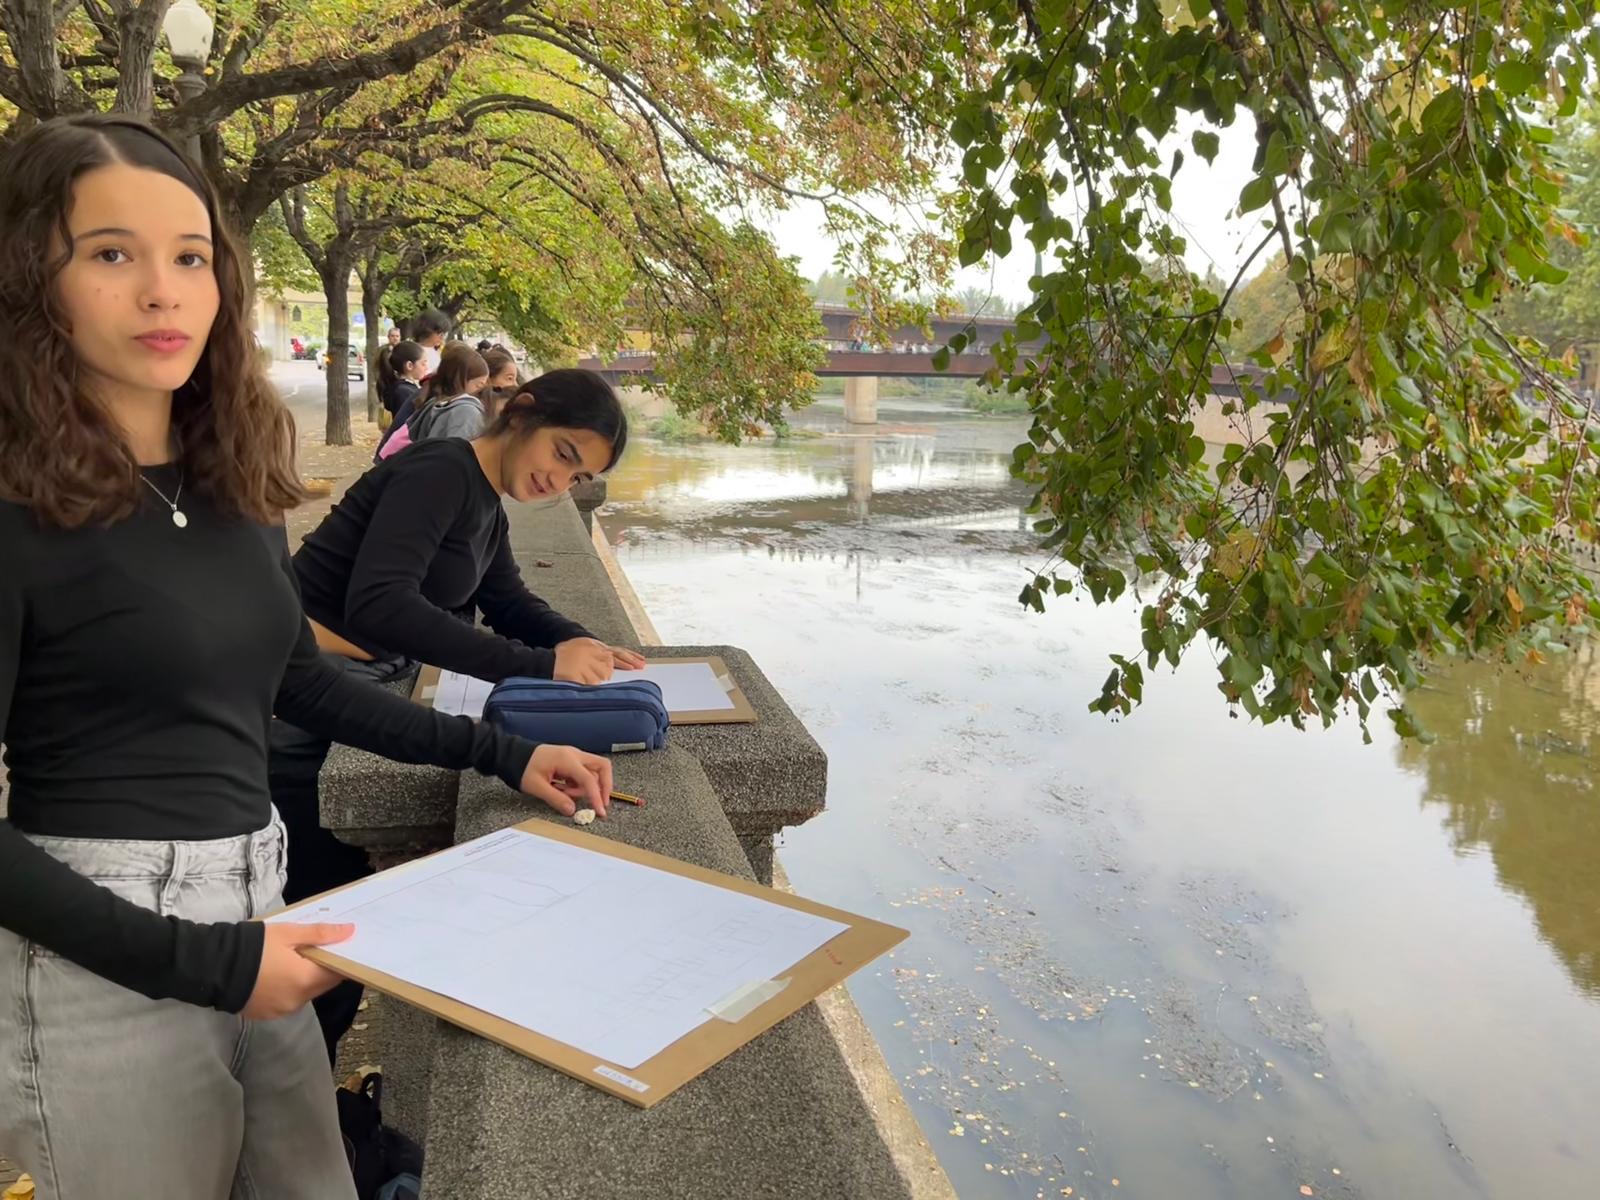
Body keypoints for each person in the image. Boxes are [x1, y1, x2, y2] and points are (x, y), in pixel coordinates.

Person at [0, 114, 613, 1199]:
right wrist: (210, 962)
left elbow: (299, 682)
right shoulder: (14, 506)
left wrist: (505, 755)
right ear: (29, 278)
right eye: (111, 253)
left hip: (266, 910)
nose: (163, 292)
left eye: (191, 257)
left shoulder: (229, 480)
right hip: (102, 962)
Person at [276, 367, 637, 1054]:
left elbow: (505, 599)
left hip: (364, 685)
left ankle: (312, 1097)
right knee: (319, 936)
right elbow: (379, 605)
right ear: (522, 412)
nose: (559, 482)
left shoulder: (484, 499)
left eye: (578, 477)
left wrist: (578, 642)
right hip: (302, 708)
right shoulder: (440, 472)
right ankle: (296, 1100)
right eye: (563, 454)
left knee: (332, 949)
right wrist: (539, 666)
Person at [374, 342, 489, 461]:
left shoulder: (435, 396)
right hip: (396, 460)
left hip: (395, 461)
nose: (482, 391)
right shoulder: (461, 410)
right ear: (460, 379)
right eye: (479, 385)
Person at [377, 338, 425, 418]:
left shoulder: (403, 388)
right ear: (409, 365)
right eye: (423, 363)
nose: (426, 367)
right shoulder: (404, 392)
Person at [483, 346, 521, 421]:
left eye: (515, 379)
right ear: (488, 380)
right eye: (509, 378)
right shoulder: (473, 411)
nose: (515, 385)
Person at [411, 308, 451, 376]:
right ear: (427, 330)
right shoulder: (414, 352)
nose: (442, 338)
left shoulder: (437, 352)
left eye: (443, 334)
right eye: (439, 333)